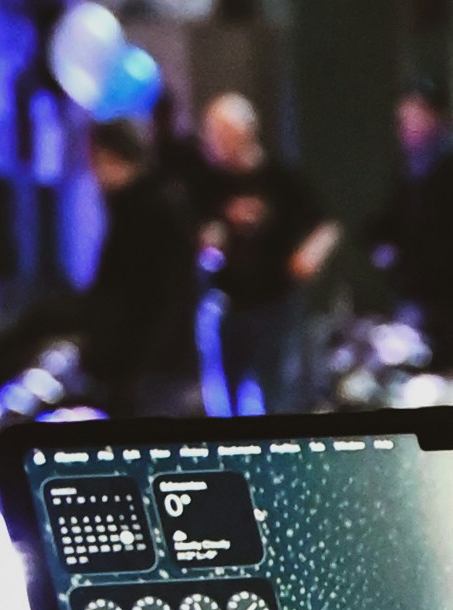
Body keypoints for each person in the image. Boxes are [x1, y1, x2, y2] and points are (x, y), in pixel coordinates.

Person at [193, 84, 338, 418]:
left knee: (276, 394)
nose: (213, 142)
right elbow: (198, 232)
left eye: (220, 133)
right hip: (229, 303)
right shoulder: (209, 183)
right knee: (225, 398)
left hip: (275, 301)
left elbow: (325, 225)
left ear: (245, 132)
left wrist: (308, 256)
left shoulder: (280, 179)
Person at [70, 67, 205, 426]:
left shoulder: (153, 210)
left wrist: (141, 368)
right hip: (143, 366)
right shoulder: (136, 207)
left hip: (153, 369)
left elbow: (165, 296)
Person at [366, 78, 453, 364]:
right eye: (403, 120)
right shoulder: (413, 166)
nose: (406, 128)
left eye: (413, 118)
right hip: (417, 286)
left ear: (434, 116)